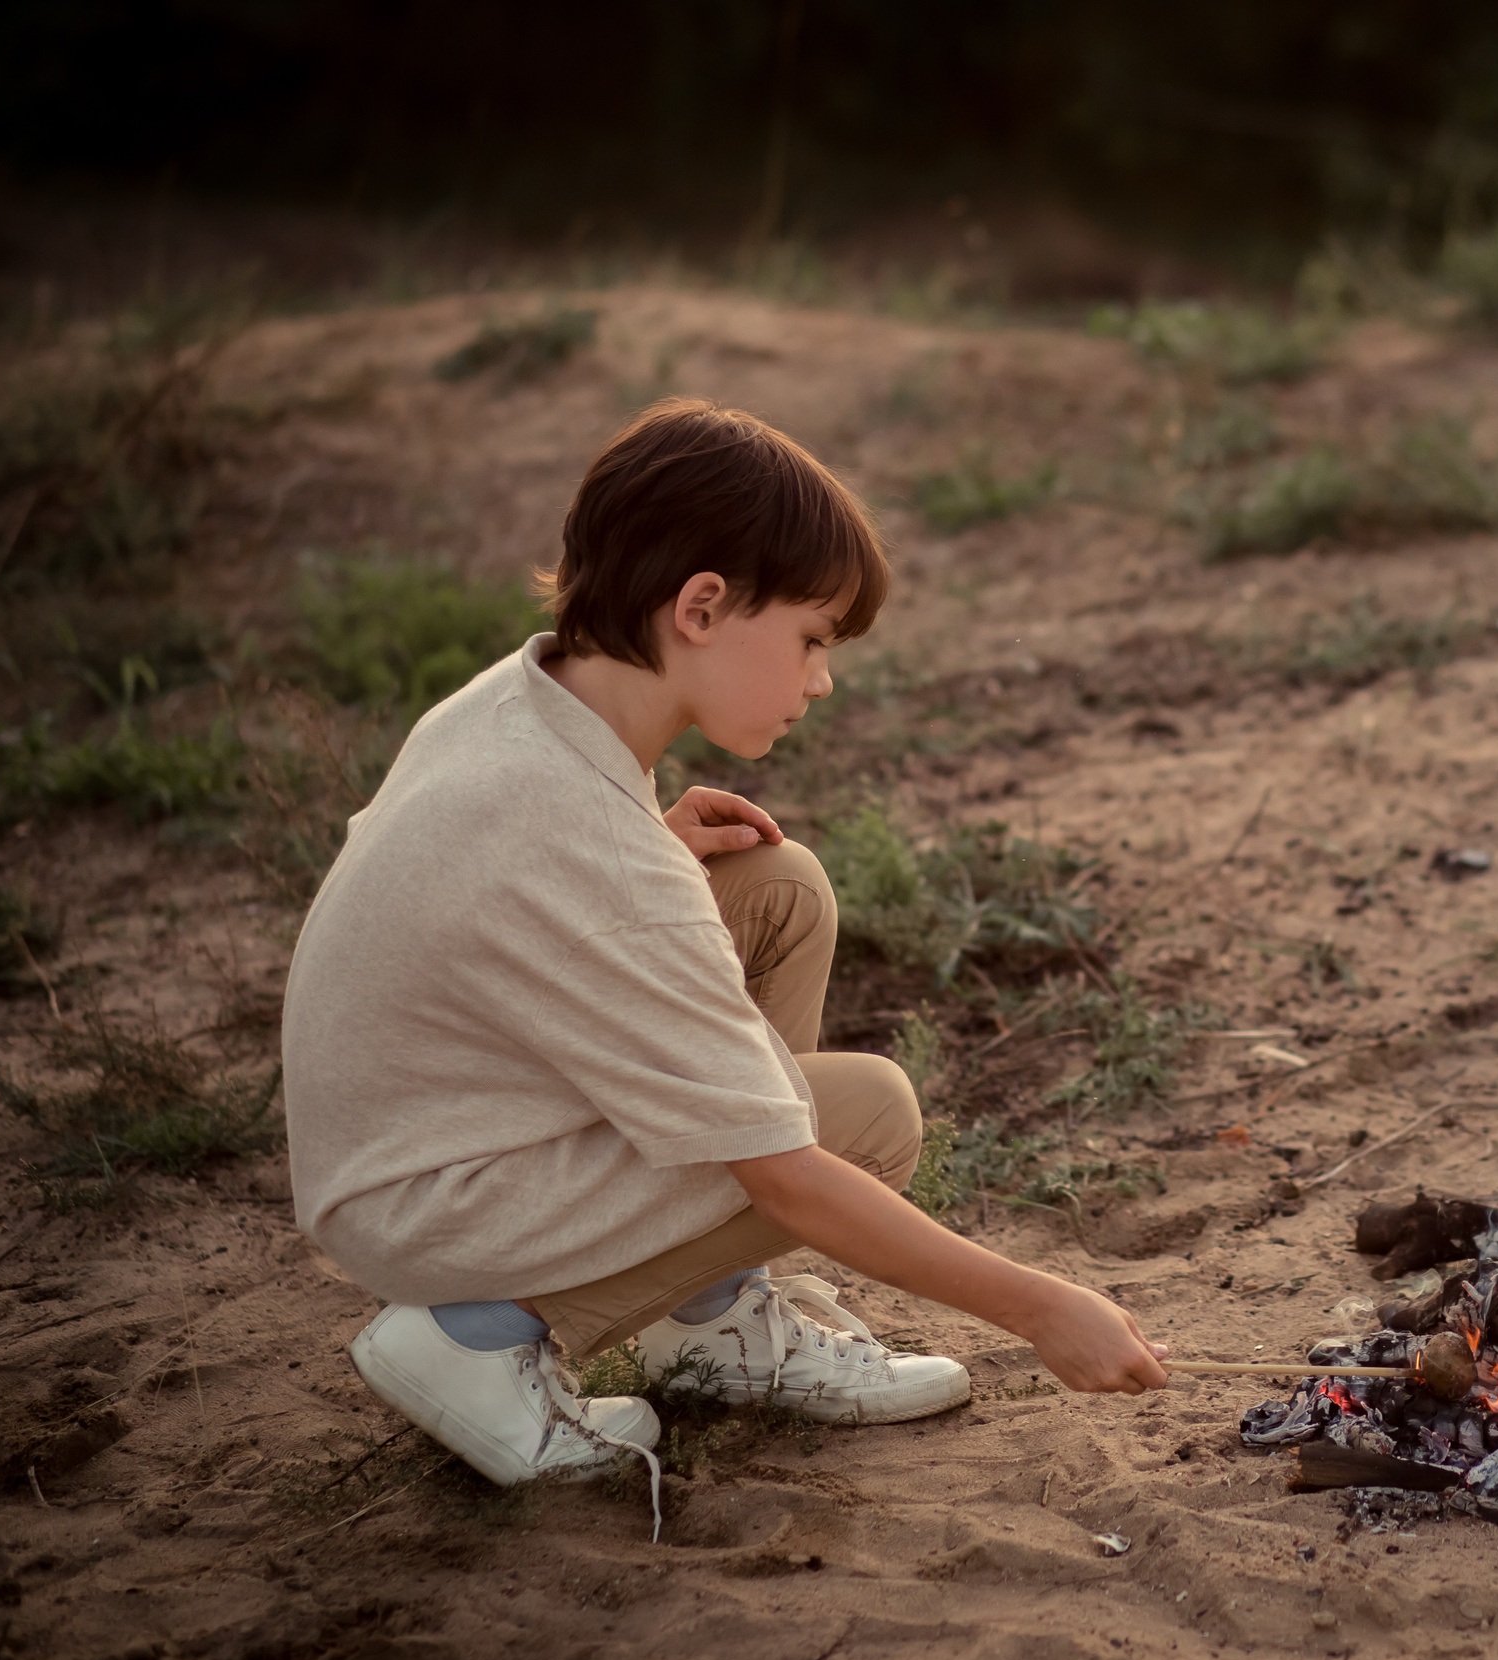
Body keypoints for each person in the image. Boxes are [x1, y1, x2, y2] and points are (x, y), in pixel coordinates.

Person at [283, 398, 1169, 1493]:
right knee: (862, 1120)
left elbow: (530, 913)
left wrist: (647, 860)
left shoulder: (527, 701)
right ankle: (477, 1335)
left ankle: (702, 1319)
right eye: (810, 640)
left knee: (775, 892)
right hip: (425, 1196)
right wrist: (1044, 1308)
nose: (821, 679)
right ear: (700, 606)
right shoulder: (604, 861)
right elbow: (791, 1182)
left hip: (415, 1131)